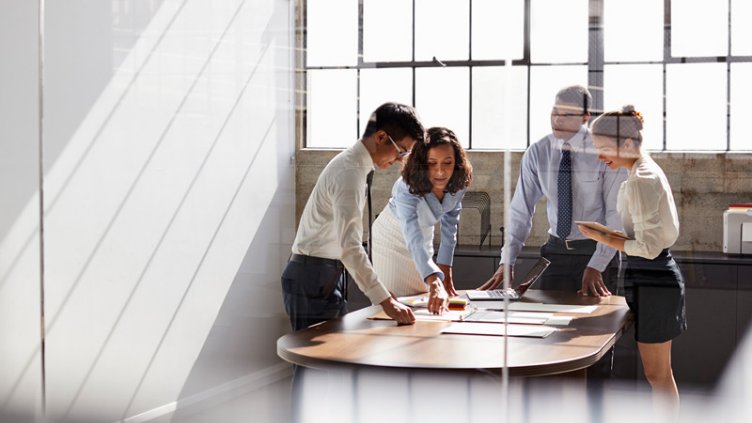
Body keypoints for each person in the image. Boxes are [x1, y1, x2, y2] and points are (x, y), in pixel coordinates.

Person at [577, 105, 687, 409]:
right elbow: (643, 238)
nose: (600, 156)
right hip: (649, 276)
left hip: (655, 277)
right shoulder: (640, 170)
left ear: (626, 143)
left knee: (658, 375)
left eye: (603, 148)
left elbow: (649, 248)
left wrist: (602, 236)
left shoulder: (642, 178)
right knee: (660, 375)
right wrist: (606, 234)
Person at [281, 102, 425, 331]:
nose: (401, 160)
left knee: (332, 360)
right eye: (402, 150)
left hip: (324, 273)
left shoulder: (356, 168)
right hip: (312, 276)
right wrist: (386, 302)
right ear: (380, 137)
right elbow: (350, 246)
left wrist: (383, 293)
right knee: (314, 363)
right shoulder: (349, 173)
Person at [480, 85, 627, 296]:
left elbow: (616, 214)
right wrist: (507, 261)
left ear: (585, 117)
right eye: (554, 112)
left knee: (595, 325)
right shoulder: (538, 152)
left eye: (567, 115)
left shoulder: (604, 152)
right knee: (548, 321)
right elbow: (521, 210)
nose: (557, 120)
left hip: (596, 251)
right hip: (555, 252)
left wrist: (598, 264)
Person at [372, 127, 473, 314]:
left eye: (447, 162)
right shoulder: (406, 186)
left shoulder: (459, 182)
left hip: (423, 235)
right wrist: (434, 279)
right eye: (432, 163)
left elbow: (450, 224)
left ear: (457, 162)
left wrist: (445, 268)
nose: (440, 171)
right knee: (395, 306)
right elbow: (411, 235)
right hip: (392, 237)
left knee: (425, 303)